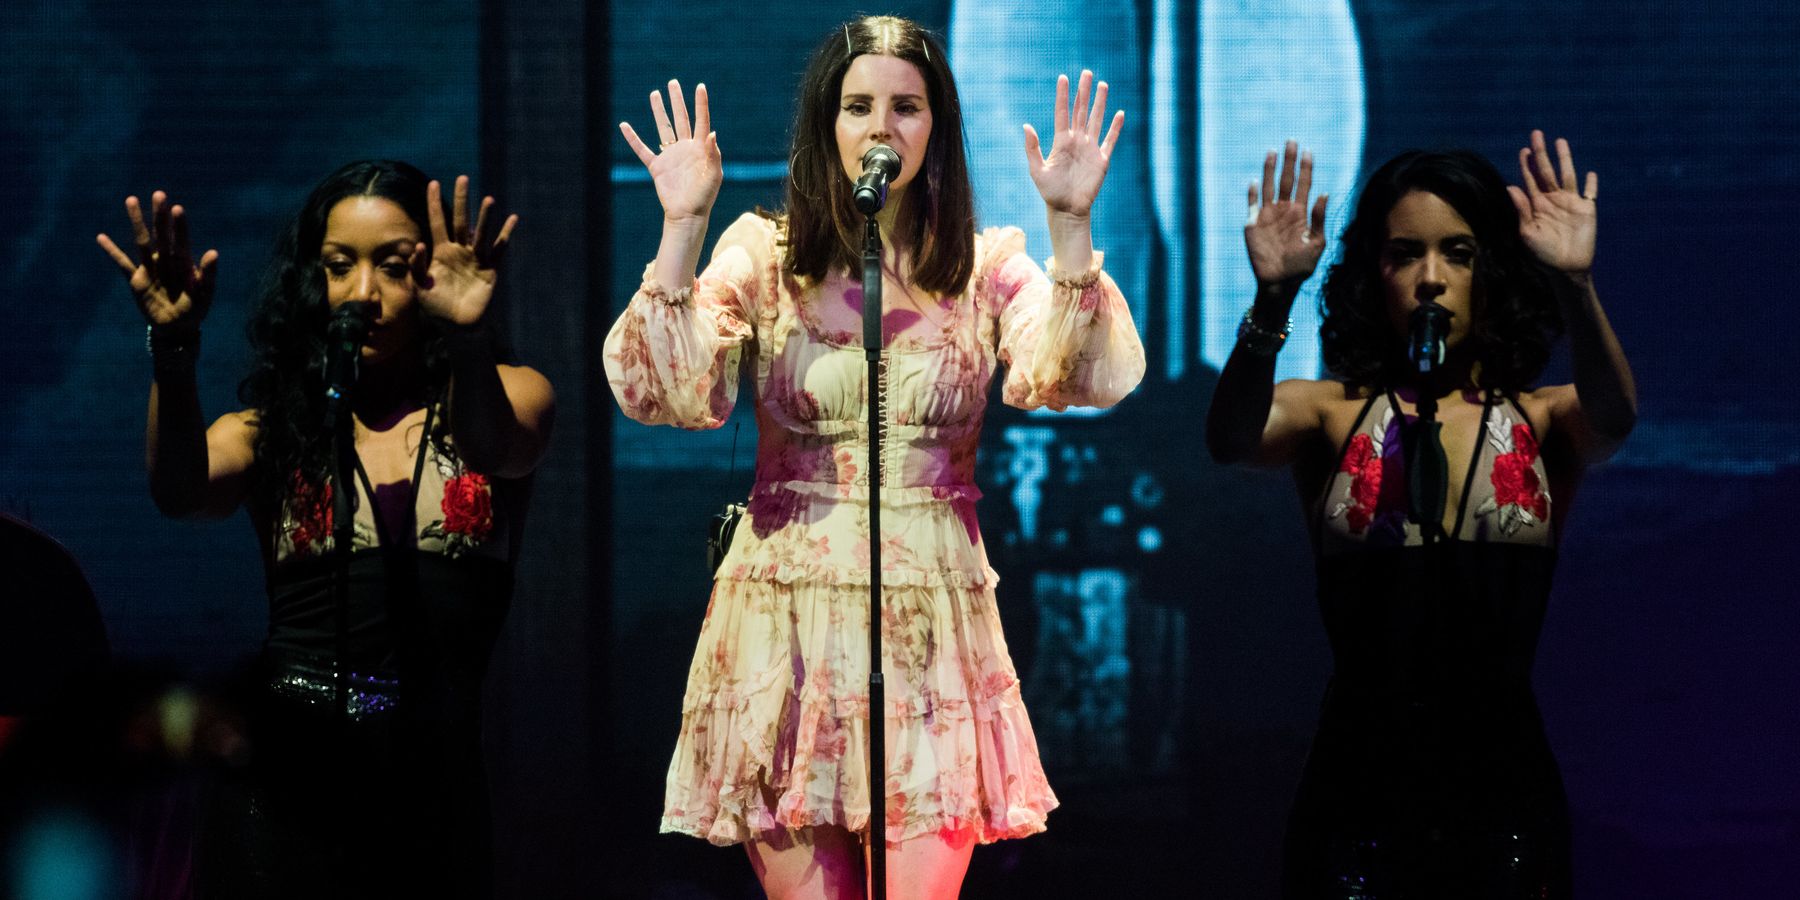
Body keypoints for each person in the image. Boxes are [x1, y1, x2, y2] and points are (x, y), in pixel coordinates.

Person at [607, 15, 1144, 899]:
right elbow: (662, 388)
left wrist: (1072, 230)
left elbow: (1084, 375)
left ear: (935, 129)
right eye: (859, 106)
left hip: (929, 619)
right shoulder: (763, 253)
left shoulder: (984, 264)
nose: (881, 128)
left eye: (906, 107)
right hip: (785, 623)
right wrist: (683, 226)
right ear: (829, 124)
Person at [96, 160, 554, 898]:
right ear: (314, 281)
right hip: (282, 796)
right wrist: (175, 353)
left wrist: (468, 340)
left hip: (432, 793)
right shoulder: (271, 430)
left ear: (434, 269)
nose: (364, 294)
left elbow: (502, 447)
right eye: (341, 267)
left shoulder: (512, 396)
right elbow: (180, 493)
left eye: (395, 266)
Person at [1206, 133, 1636, 896]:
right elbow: (1232, 438)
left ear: (1491, 272)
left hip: (1505, 795)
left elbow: (1614, 415)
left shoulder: (1540, 420)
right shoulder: (1330, 413)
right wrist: (1272, 299)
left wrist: (1578, 285)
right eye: (1406, 253)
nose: (1431, 279)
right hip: (1357, 797)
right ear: (1375, 271)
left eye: (1459, 253)